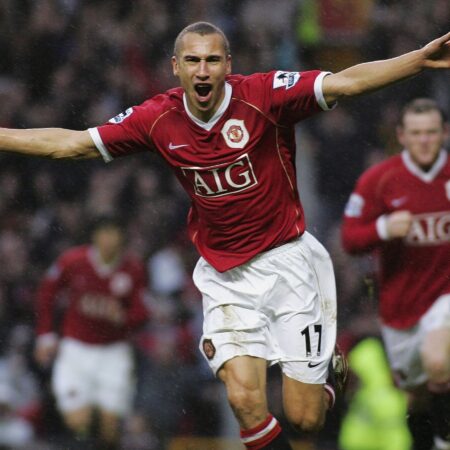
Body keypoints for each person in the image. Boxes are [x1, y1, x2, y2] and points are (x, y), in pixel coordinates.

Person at [1, 21, 449, 450]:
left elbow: (346, 82)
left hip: (288, 262)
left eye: (212, 60)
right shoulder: (157, 117)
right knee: (243, 399)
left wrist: (416, 60)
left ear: (228, 64)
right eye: (192, 61)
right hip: (225, 277)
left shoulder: (264, 95)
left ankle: (324, 377)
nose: (202, 70)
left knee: (305, 418)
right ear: (175, 67)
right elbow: (71, 144)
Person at [341, 98, 450, 450]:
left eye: (432, 132)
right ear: (401, 135)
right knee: (416, 397)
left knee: (439, 361)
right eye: (416, 133)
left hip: (444, 297)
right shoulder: (380, 180)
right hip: (400, 308)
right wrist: (384, 228)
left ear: (444, 133)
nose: (424, 141)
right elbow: (349, 238)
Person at [34, 216, 150, 450]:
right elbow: (47, 293)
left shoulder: (133, 269)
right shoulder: (72, 261)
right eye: (104, 232)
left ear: (122, 238)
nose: (108, 239)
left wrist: (124, 318)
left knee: (110, 427)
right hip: (76, 349)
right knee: (78, 421)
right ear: (94, 236)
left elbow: (143, 312)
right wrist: (46, 335)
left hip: (114, 351)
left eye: (114, 233)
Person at [339, 337, 412, 450]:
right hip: (358, 441)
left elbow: (396, 438)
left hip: (375, 442)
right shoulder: (361, 394)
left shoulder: (387, 400)